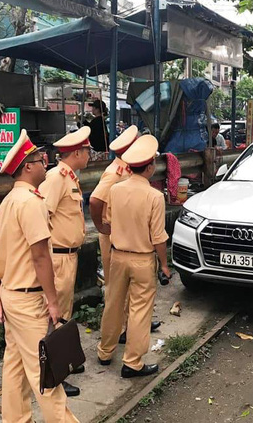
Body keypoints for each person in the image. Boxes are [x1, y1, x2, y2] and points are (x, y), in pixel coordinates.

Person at [0, 129, 78, 422]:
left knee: (14, 366)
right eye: (40, 159)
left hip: (11, 295)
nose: (46, 162)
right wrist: (53, 302)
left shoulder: (9, 202)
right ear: (28, 166)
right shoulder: (31, 203)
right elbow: (40, 257)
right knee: (46, 373)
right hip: (28, 301)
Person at [97, 135, 172, 378]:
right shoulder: (154, 196)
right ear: (150, 167)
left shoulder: (116, 190)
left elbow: (105, 218)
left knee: (113, 304)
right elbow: (158, 237)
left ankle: (105, 351)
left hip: (117, 255)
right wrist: (164, 265)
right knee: (140, 310)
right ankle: (132, 362)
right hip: (142, 259)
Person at [89, 126, 161, 342]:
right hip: (114, 238)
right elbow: (95, 200)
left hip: (125, 236)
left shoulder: (127, 170)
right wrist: (101, 227)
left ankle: (133, 324)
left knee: (130, 288)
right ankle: (118, 330)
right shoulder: (114, 173)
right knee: (115, 289)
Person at [38, 126, 91, 397]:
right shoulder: (57, 178)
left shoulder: (69, 177)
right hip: (57, 257)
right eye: (88, 151)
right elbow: (41, 215)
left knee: (64, 313)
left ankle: (61, 363)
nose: (90, 155)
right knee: (54, 318)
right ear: (78, 152)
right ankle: (54, 374)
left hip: (67, 257)